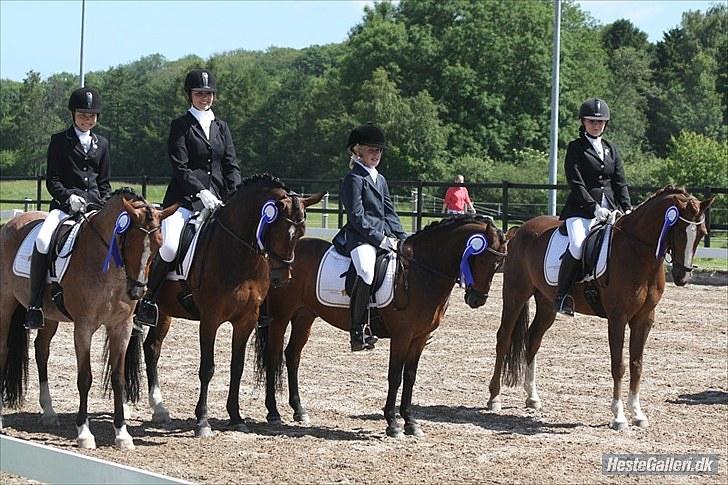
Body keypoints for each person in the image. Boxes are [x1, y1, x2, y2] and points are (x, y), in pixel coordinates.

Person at [134, 68, 241, 327]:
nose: (205, 97)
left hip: (217, 201)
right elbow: (179, 166)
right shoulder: (181, 126)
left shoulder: (221, 127)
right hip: (184, 202)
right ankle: (148, 302)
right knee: (169, 246)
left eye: (208, 93)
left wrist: (236, 193)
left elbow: (231, 164)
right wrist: (200, 191)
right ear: (189, 95)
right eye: (199, 93)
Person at [25, 87, 111, 329]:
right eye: (83, 115)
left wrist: (103, 205)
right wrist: (68, 198)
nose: (87, 119)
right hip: (65, 208)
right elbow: (52, 180)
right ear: (73, 114)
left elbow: (104, 182)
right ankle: (34, 305)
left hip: (94, 208)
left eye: (92, 116)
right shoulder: (60, 141)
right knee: (42, 240)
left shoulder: (102, 144)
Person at [332, 123, 407, 352]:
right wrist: (379, 238)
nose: (376, 154)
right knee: (366, 271)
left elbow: (389, 212)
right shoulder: (354, 178)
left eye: (379, 150)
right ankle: (357, 330)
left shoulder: (380, 179)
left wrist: (403, 238)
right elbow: (356, 216)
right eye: (371, 150)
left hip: (381, 235)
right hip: (360, 237)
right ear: (357, 151)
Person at [554, 97, 632, 316]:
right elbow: (575, 182)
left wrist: (627, 208)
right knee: (578, 245)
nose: (596, 125)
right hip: (581, 210)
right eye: (591, 121)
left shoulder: (611, 149)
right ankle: (562, 296)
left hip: (612, 210)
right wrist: (594, 207)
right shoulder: (575, 148)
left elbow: (620, 182)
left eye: (600, 122)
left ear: (605, 124)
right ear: (583, 122)